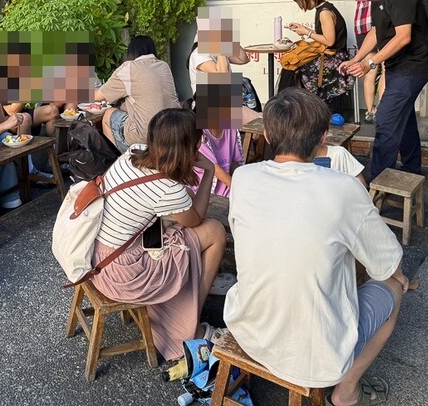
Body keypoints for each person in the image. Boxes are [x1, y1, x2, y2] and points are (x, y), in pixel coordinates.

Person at [225, 88, 407, 406]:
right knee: (394, 286)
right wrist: (400, 277)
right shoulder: (344, 188)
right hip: (317, 359)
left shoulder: (243, 177)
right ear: (324, 138)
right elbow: (387, 264)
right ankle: (347, 391)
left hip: (248, 330)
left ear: (267, 135)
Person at [90, 108, 227, 360]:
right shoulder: (167, 189)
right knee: (215, 231)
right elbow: (196, 219)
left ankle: (194, 281)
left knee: (176, 224)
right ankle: (191, 321)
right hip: (125, 274)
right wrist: (209, 171)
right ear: (190, 147)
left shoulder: (133, 152)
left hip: (97, 256)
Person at [340, 0, 428, 180]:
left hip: (413, 66)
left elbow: (404, 36)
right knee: (404, 119)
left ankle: (378, 183)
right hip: (397, 67)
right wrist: (356, 59)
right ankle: (412, 171)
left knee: (385, 121)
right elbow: (375, 31)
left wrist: (370, 63)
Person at [278, 0, 354, 115]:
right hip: (330, 55)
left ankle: (291, 111)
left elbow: (329, 41)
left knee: (292, 68)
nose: (301, 5)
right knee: (291, 64)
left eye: (302, 1)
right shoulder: (323, 9)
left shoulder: (325, 13)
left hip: (335, 58)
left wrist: (307, 32)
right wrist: (304, 29)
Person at [94, 36, 181, 153]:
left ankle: (116, 159)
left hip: (147, 137)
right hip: (173, 131)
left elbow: (97, 96)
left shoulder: (129, 67)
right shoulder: (164, 66)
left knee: (108, 114)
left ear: (131, 52)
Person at [354, 0, 403, 123]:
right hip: (380, 24)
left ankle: (369, 111)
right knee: (385, 66)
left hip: (360, 23)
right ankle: (383, 112)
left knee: (369, 67)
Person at [189, 9, 259, 124]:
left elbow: (243, 59)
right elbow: (222, 76)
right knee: (255, 120)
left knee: (258, 118)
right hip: (209, 106)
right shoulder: (198, 54)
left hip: (227, 102)